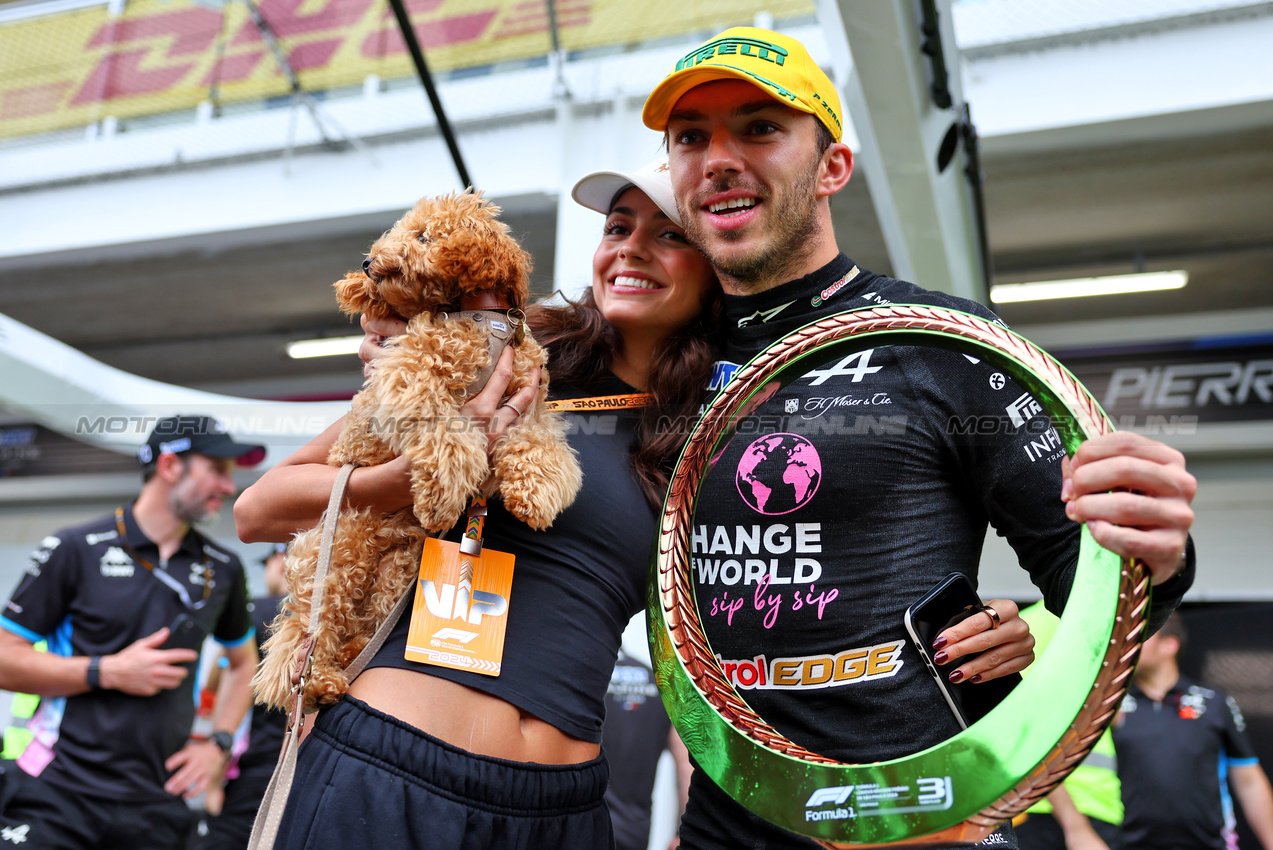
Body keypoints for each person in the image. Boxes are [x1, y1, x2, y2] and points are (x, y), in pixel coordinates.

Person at [231, 158, 1035, 849]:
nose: (631, 250)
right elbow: (260, 508)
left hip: (565, 811)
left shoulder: (718, 436)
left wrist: (988, 628)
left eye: (668, 234)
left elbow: (792, 600)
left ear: (714, 264)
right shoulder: (501, 358)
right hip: (394, 772)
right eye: (618, 227)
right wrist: (398, 482)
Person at [639, 25, 1199, 849]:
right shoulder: (660, 362)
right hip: (731, 821)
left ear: (832, 167)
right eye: (691, 137)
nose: (718, 157)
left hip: (925, 813)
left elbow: (1102, 581)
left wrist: (1145, 555)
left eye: (759, 127)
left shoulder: (943, 343)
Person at [0, 414, 262, 850]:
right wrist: (105, 671)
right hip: (57, 791)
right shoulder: (75, 549)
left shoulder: (223, 567)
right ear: (169, 467)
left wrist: (216, 744)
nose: (228, 487)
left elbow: (242, 663)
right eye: (216, 470)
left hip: (158, 804)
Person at [1111, 614, 1273, 850]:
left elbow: (1249, 780)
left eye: (1141, 636)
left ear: (1170, 644)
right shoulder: (1110, 706)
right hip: (1127, 845)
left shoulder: (1214, 703)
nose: (1129, 643)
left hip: (1209, 844)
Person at [201, 542, 290, 850]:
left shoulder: (261, 614)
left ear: (280, 560)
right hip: (310, 767)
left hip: (256, 770)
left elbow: (224, 685)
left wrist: (214, 782)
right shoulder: (337, 619)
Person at [1015, 601, 1122, 850]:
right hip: (1049, 813)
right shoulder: (1034, 627)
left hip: (1101, 808)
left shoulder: (1104, 624)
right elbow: (1022, 729)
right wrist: (1074, 825)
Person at [603, 648, 692, 850]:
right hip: (636, 830)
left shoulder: (585, 681)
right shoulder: (659, 683)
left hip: (583, 826)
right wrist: (682, 834)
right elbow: (686, 766)